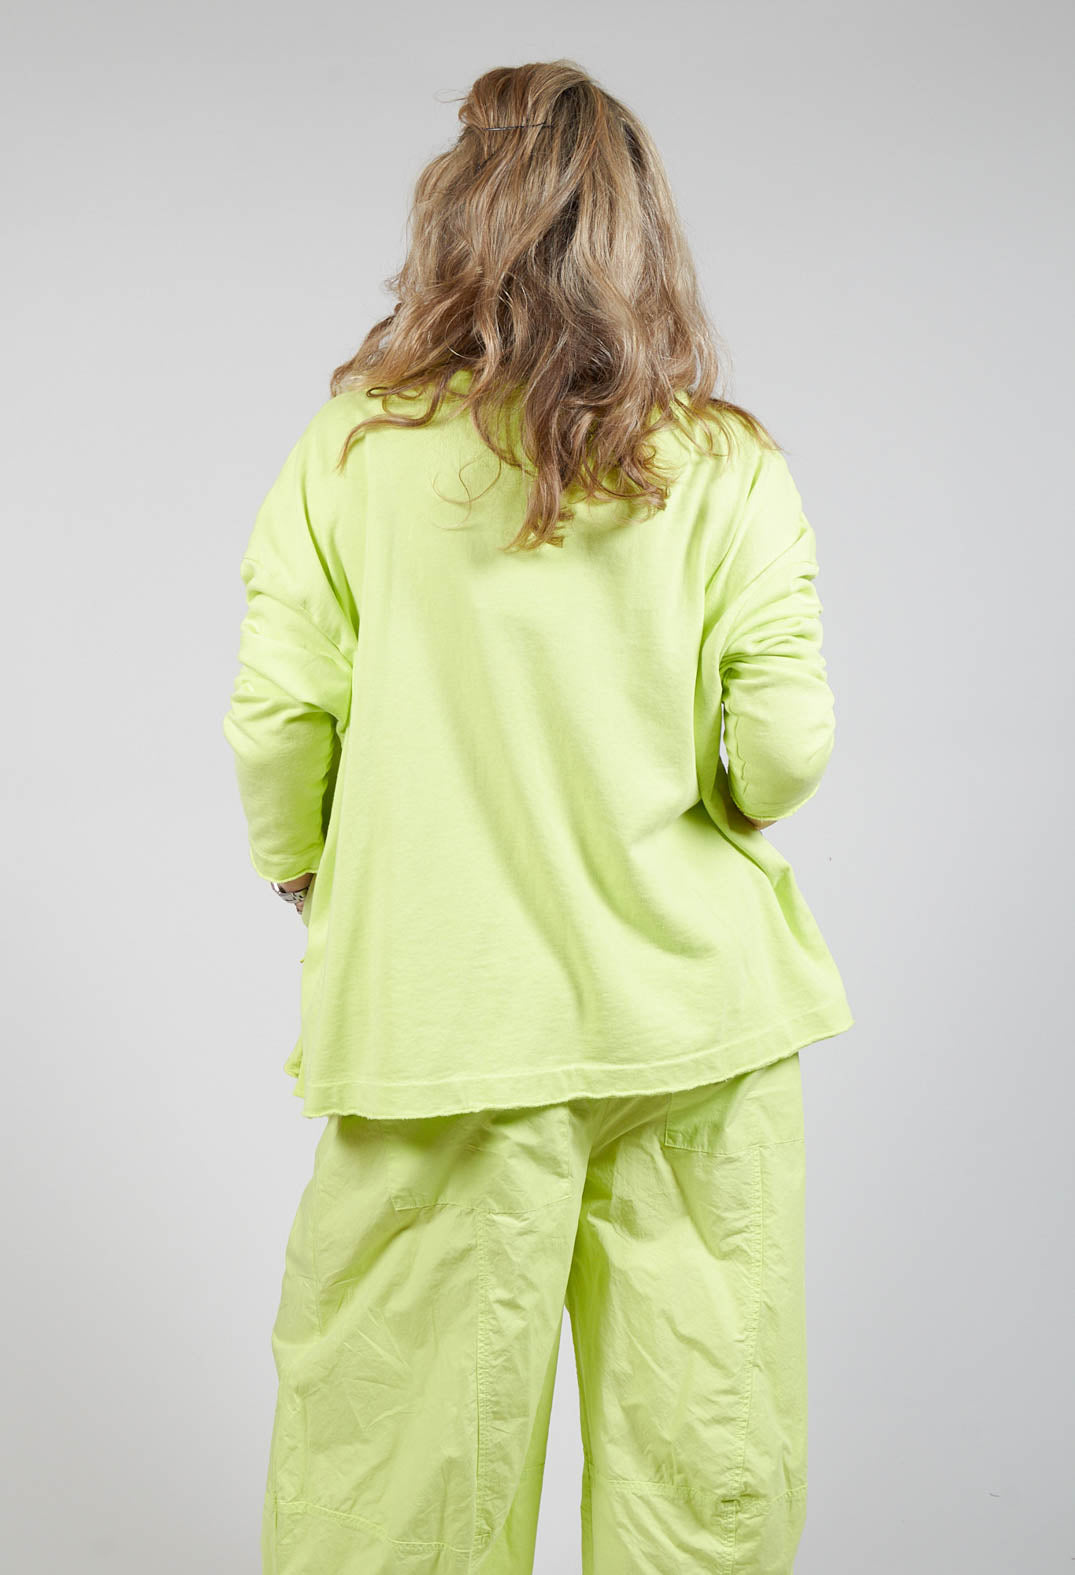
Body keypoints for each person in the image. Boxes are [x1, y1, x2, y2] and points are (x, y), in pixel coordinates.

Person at [222, 57, 855, 1575]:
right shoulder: (728, 466)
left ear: (453, 218)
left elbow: (278, 723)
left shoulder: (352, 456)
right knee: (703, 1473)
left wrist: (310, 870)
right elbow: (780, 754)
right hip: (694, 1026)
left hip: (441, 1024)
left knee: (396, 1489)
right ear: (645, 236)